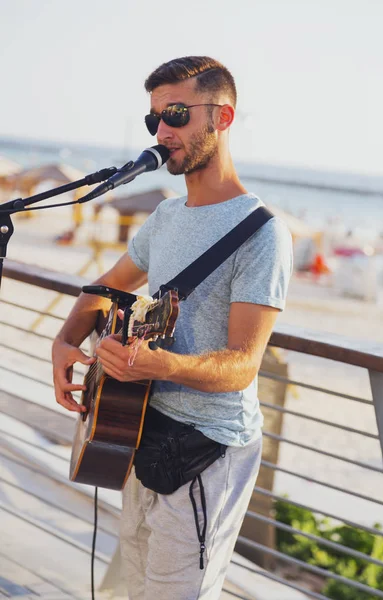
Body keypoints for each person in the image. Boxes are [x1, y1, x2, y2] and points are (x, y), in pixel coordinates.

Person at [52, 56, 293, 600]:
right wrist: (66, 340)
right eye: (154, 119)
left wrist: (156, 364)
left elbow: (242, 365)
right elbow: (105, 285)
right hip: (139, 432)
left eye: (177, 114)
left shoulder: (264, 234)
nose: (162, 132)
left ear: (222, 118)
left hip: (207, 451)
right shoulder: (165, 217)